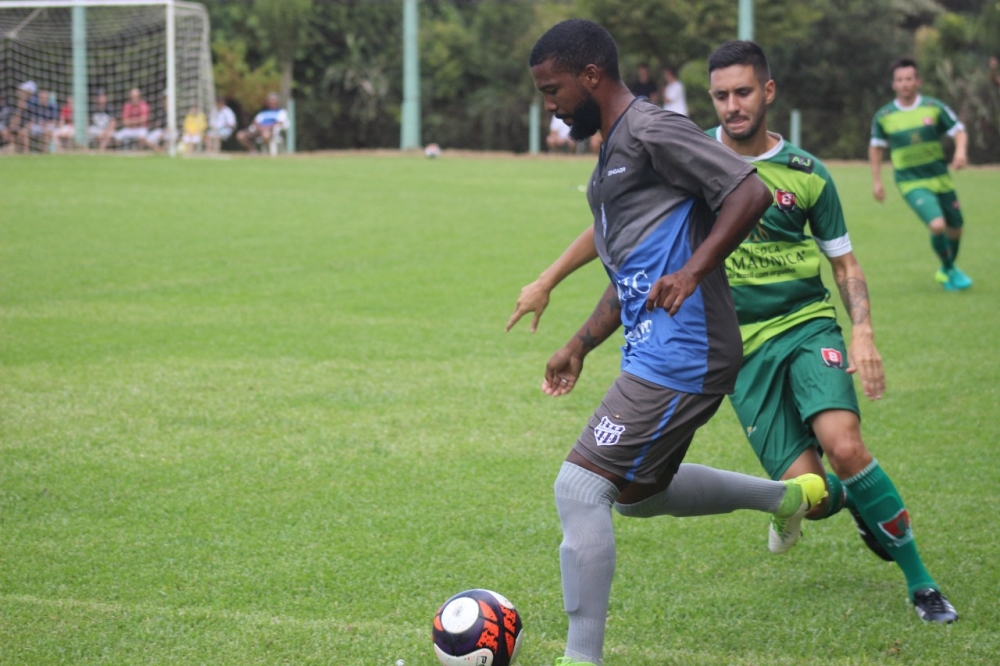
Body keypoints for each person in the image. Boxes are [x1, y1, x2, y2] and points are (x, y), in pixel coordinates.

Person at [510, 39, 959, 629]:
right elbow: (626, 240)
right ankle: (836, 503)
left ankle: (922, 584)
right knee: (810, 493)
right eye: (720, 95)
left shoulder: (802, 173)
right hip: (743, 346)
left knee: (845, 446)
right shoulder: (683, 150)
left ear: (767, 92)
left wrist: (863, 332)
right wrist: (559, 299)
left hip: (800, 325)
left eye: (743, 92)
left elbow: (841, 262)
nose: (731, 105)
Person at [525, 20, 827, 666]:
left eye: (552, 90)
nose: (548, 105)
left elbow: (749, 192)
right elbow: (632, 275)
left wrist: (694, 272)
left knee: (579, 488)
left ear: (591, 77)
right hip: (656, 346)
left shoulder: (654, 130)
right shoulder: (611, 154)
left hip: (686, 349)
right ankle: (787, 498)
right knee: (637, 496)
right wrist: (579, 342)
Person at [869, 58, 973, 291]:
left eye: (909, 79)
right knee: (937, 225)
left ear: (918, 81)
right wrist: (877, 181)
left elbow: (959, 131)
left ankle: (947, 270)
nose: (905, 83)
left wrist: (961, 152)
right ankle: (949, 270)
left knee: (956, 228)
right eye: (900, 80)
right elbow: (876, 148)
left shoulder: (933, 107)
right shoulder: (884, 115)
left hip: (941, 177)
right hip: (910, 181)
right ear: (893, 84)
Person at [15, 88, 58, 153]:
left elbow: (54, 121)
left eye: (44, 97)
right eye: (41, 97)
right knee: (24, 132)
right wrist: (26, 128)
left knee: (47, 132)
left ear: (47, 97)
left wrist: (46, 125)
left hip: (49, 126)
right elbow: (33, 120)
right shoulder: (36, 106)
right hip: (38, 126)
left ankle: (44, 152)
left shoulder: (52, 105)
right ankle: (25, 153)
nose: (42, 99)